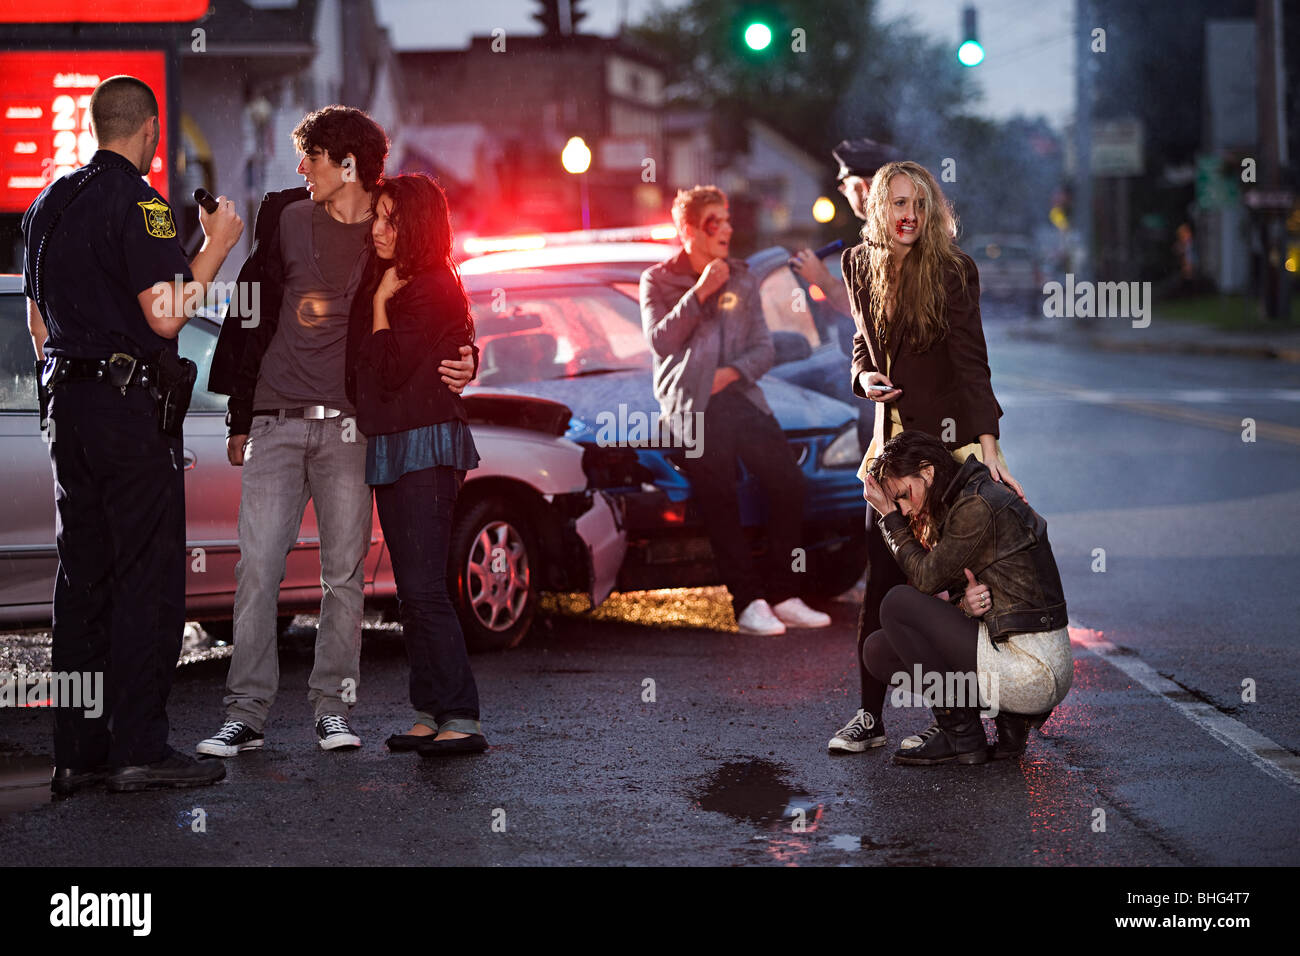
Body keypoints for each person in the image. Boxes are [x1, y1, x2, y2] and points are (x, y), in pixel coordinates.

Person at [199, 107, 476, 757]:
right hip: (274, 421)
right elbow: (250, 317)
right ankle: (246, 714)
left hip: (352, 430)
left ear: (346, 163)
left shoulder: (394, 225)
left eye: (312, 157)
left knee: (342, 578)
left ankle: (333, 710)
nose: (301, 168)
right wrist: (241, 414)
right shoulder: (287, 219)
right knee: (258, 571)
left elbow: (439, 296)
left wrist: (467, 351)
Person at [21, 75, 244, 793]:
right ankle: (141, 749)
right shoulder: (141, 205)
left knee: (82, 581)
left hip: (67, 411)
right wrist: (217, 246)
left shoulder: (47, 204)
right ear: (149, 129)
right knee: (146, 578)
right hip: (126, 414)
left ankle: (79, 754)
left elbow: (36, 326)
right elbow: (166, 314)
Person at [828, 159, 1026, 754]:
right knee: (884, 580)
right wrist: (863, 378)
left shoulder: (954, 271)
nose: (908, 214)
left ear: (932, 209)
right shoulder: (858, 264)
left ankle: (989, 715)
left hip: (947, 452)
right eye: (896, 203)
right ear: (877, 209)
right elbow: (862, 343)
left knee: (965, 588)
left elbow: (972, 363)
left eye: (918, 203)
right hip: (888, 453)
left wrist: (989, 449)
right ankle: (870, 717)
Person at [640, 185, 830, 636]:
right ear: (688, 230)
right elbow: (661, 342)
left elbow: (763, 348)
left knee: (788, 483)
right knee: (719, 495)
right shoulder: (659, 279)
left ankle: (783, 594)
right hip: (691, 405)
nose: (726, 228)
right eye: (714, 221)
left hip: (738, 396)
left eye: (726, 220)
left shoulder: (743, 277)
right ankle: (747, 601)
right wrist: (701, 292)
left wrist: (731, 374)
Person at [345, 174, 487, 757]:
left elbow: (387, 366)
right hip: (398, 442)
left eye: (388, 219)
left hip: (425, 446)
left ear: (417, 226)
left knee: (425, 589)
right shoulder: (397, 279)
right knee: (410, 591)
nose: (376, 228)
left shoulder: (426, 284)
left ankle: (461, 715)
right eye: (375, 216)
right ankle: (429, 710)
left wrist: (380, 302)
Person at [859, 429, 1071, 764]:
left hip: (1034, 669)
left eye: (903, 495)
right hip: (1008, 650)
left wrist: (888, 518)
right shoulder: (960, 500)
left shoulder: (977, 504)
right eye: (897, 502)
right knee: (879, 651)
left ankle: (962, 736)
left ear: (927, 471)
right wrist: (962, 604)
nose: (904, 508)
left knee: (897, 603)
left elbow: (926, 578)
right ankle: (1005, 718)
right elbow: (963, 589)